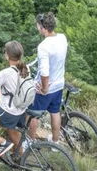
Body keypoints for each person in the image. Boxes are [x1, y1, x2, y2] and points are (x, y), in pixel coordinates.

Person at [28, 12, 68, 144]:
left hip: (46, 87)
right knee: (55, 112)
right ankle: (55, 142)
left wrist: (44, 89)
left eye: (38, 26)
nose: (37, 27)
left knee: (33, 115)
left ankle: (30, 142)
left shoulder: (43, 47)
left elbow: (44, 72)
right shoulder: (62, 38)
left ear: (43, 29)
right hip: (59, 83)